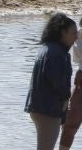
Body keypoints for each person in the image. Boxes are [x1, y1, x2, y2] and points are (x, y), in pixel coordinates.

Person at [29, 11, 76, 150]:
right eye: (73, 33)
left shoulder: (51, 48)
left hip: (42, 107)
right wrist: (66, 98)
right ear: (63, 32)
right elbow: (56, 81)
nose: (76, 37)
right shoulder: (55, 53)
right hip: (47, 109)